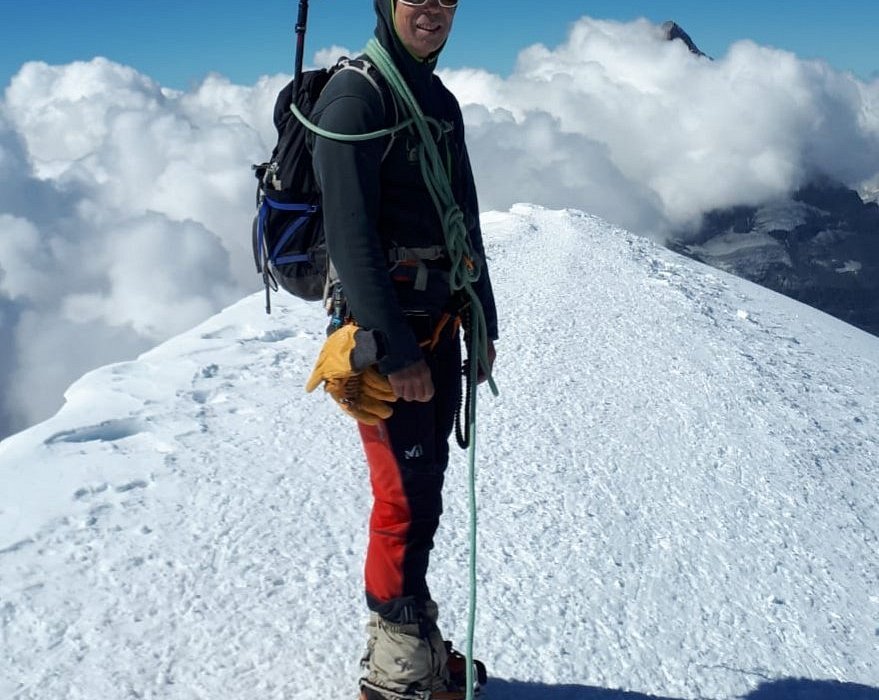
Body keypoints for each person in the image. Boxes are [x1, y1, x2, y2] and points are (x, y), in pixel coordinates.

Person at [307, 1, 498, 698]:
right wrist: (394, 354)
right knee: (402, 502)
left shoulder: (433, 96)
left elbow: (462, 216)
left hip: (439, 324)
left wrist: (485, 321)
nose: (435, 9)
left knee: (423, 492)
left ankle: (411, 638)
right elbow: (351, 241)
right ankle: (394, 677)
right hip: (390, 343)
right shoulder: (356, 97)